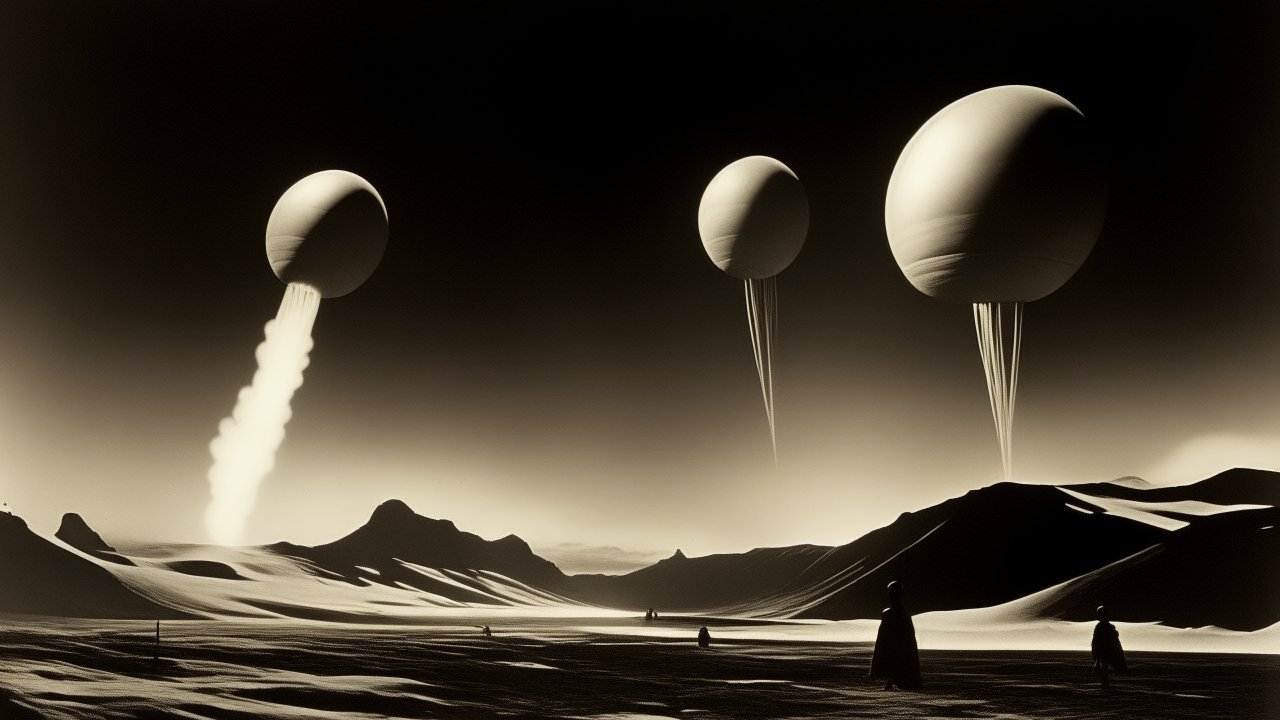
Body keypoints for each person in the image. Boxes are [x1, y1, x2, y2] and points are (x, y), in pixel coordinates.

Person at [869, 580, 921, 690]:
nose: (889, 596)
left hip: (896, 641)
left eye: (891, 593)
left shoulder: (894, 614)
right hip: (897, 641)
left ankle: (894, 679)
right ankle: (894, 679)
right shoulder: (899, 614)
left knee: (893, 653)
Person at [1091, 605, 1126, 688]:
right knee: (1104, 669)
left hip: (1105, 651)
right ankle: (1105, 685)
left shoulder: (1103, 627)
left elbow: (1096, 641)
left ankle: (1105, 685)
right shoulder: (1107, 627)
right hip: (1106, 651)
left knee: (1104, 669)